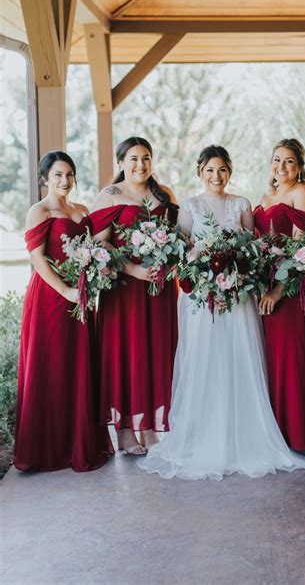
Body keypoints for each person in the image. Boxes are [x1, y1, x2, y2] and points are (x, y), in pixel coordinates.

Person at [138, 145, 305, 479]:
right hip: (201, 303)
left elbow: (254, 249)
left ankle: (245, 435)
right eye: (209, 170)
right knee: (206, 362)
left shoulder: (242, 204)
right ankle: (204, 434)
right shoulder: (191, 207)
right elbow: (183, 256)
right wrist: (205, 282)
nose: (216, 176)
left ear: (230, 172)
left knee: (238, 361)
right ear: (200, 173)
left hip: (239, 300)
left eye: (222, 169)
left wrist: (236, 279)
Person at [14, 151, 111, 472]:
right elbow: (38, 259)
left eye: (69, 174)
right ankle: (47, 449)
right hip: (51, 298)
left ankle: (78, 443)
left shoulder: (81, 210)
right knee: (51, 367)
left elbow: (97, 247)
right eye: (58, 175)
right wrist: (66, 290)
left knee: (77, 365)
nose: (65, 181)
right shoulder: (39, 211)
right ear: (45, 178)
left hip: (81, 296)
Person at [91, 137, 178, 455]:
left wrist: (166, 265)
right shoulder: (109, 195)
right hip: (124, 288)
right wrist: (134, 270)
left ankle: (152, 429)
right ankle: (127, 431)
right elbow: (101, 244)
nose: (140, 165)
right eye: (133, 158)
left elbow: (177, 237)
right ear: (121, 162)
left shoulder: (164, 194)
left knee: (156, 353)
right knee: (126, 354)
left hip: (159, 288)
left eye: (146, 158)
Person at [253, 139, 305, 454]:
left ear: (300, 166)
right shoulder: (266, 196)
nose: (282, 167)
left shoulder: (301, 194)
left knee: (290, 359)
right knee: (268, 360)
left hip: (289, 289)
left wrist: (279, 289)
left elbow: (302, 250)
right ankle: (273, 433)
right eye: (277, 160)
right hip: (263, 286)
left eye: (289, 161)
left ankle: (296, 437)